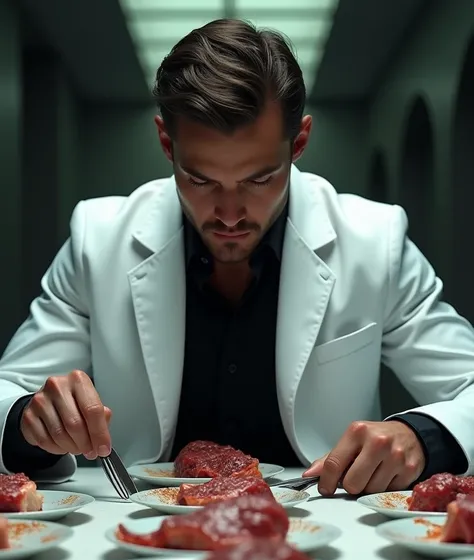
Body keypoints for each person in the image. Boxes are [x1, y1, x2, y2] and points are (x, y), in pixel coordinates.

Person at [0, 19, 472, 496]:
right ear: (167, 143)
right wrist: (28, 419)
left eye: (259, 179)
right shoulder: (96, 240)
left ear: (299, 143)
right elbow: (7, 392)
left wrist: (422, 437)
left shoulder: (376, 241)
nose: (229, 214)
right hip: (135, 524)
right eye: (201, 180)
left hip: (324, 529)